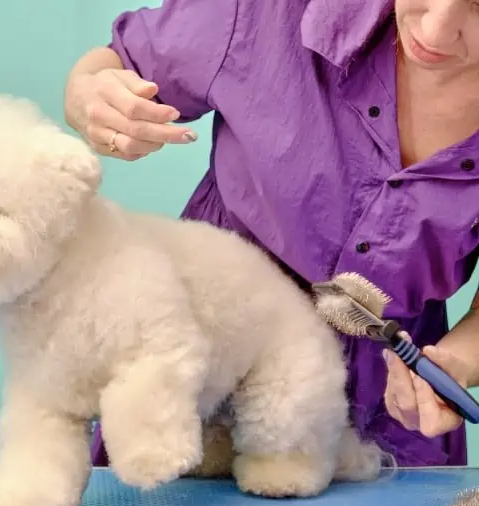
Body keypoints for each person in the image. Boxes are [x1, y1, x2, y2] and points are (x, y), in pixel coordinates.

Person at [63, 0, 479, 467]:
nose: (437, 31)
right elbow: (112, 65)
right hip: (204, 367)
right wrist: (92, 96)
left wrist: (456, 359)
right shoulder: (269, 11)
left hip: (388, 419)